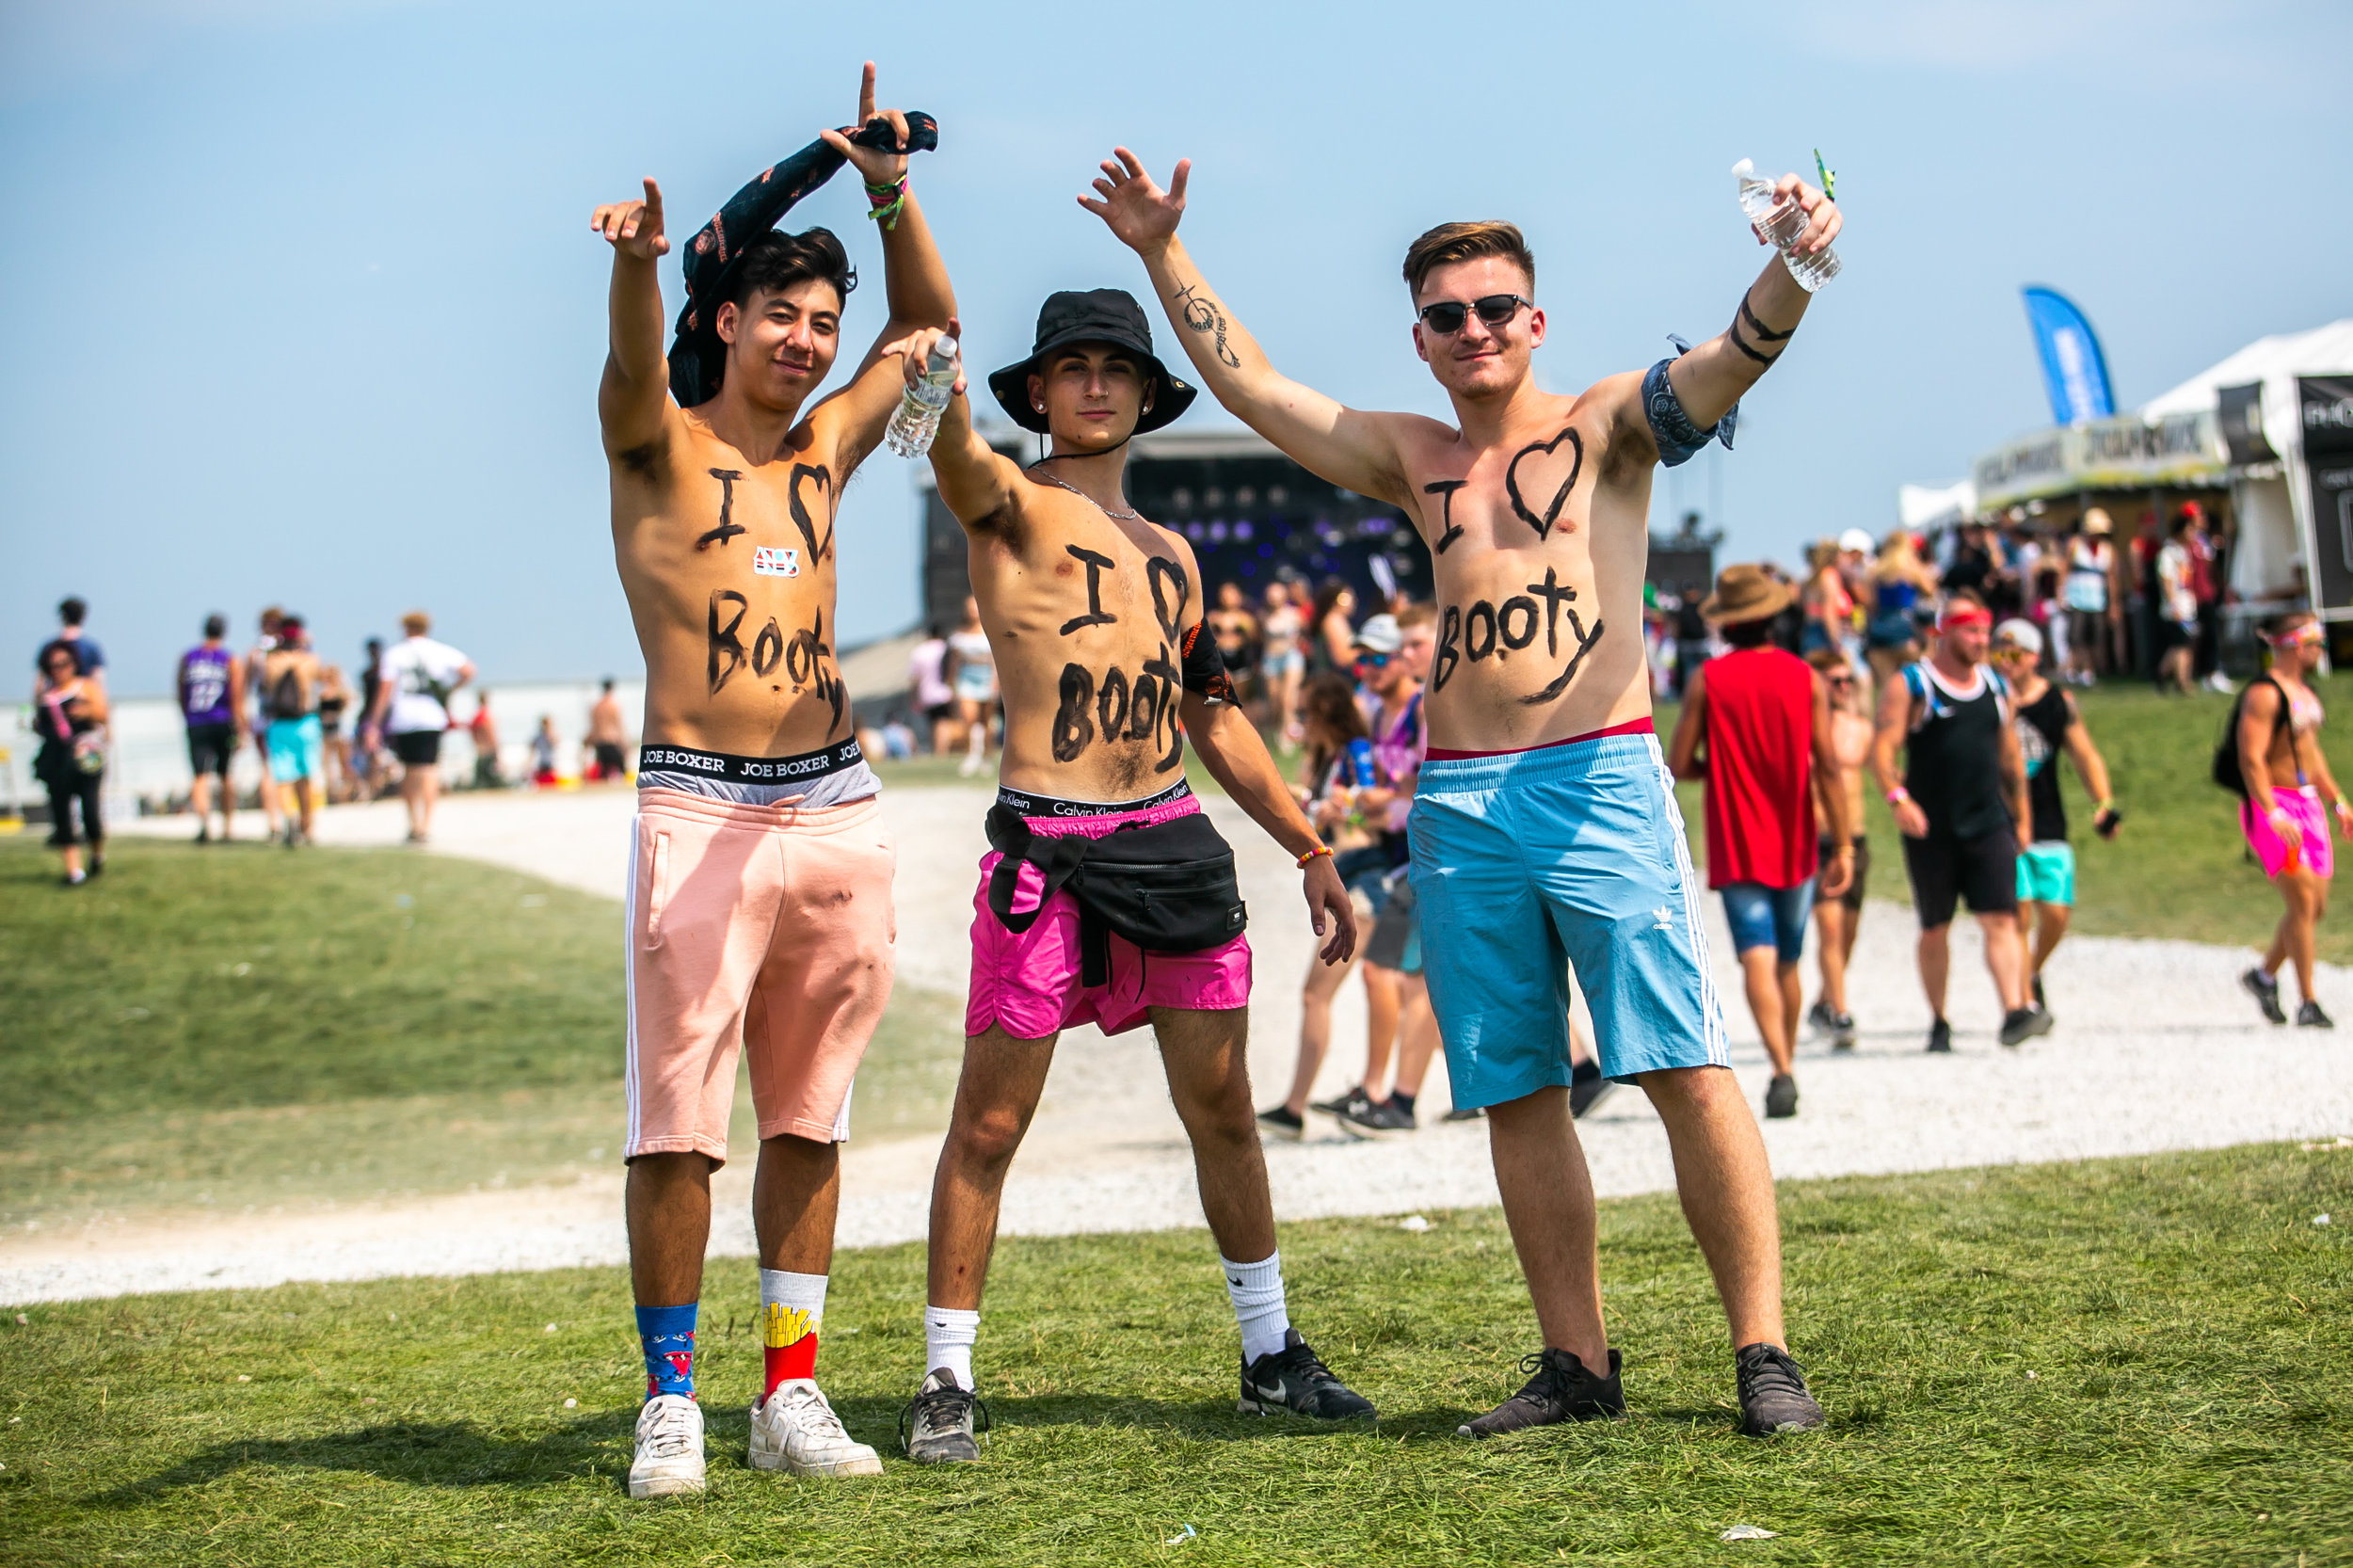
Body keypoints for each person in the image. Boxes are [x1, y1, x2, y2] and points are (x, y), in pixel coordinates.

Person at [1090, 143, 1841, 1435]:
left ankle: (1762, 1353)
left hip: (1597, 774)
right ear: (1422, 339)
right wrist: (1161, 250)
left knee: (1682, 1063)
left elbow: (1735, 357)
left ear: (1534, 320)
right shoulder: (1412, 454)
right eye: (1448, 315)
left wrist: (1796, 261)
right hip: (1460, 797)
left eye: (1497, 307)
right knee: (1515, 1087)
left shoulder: (1606, 421)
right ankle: (1575, 1363)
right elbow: (1252, 385)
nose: (1475, 328)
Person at [891, 283, 1370, 1466]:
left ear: (1148, 394)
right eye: (1073, 366)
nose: (1096, 383)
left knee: (1224, 1111)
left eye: (1116, 366)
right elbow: (951, 445)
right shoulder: (1009, 505)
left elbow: (1216, 716)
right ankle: (945, 1376)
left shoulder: (1174, 557)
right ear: (1038, 392)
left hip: (1168, 841)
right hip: (1046, 850)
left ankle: (1268, 1353)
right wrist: (925, 334)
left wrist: (1310, 848)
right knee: (989, 1123)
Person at [589, 67, 953, 1496]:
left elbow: (928, 337)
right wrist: (636, 268)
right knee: (679, 1125)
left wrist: (889, 192)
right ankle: (670, 1398)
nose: (807, 341)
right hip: (697, 803)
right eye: (782, 316)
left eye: (822, 323)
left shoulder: (825, 452)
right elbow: (632, 365)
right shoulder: (657, 448)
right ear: (729, 320)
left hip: (833, 802)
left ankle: (789, 1389)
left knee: (810, 1114)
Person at [1667, 566, 1852, 1120]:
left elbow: (1679, 763)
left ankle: (1780, 1066)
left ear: (1726, 623)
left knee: (1756, 956)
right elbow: (1828, 766)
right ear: (1772, 618)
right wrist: (1843, 844)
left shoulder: (1708, 680)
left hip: (1737, 837)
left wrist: (1722, 770)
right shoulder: (1805, 677)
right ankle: (1785, 1061)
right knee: (1789, 962)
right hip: (1795, 836)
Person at [1870, 592, 2043, 1052]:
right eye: (1972, 631)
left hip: (1988, 821)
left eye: (1985, 631)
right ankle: (1939, 1019)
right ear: (1944, 632)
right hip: (1932, 828)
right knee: (1935, 927)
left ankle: (2014, 1011)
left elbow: (2010, 758)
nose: (1982, 640)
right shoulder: (1914, 684)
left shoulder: (1996, 687)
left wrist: (2022, 817)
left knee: (2001, 918)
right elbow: (1882, 751)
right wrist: (1898, 799)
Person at [1260, 670, 1399, 1139]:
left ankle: (1300, 1107)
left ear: (1326, 713)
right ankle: (1310, 1104)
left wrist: (1345, 809)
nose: (1300, 723)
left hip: (1364, 881)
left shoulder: (1356, 752)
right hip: (1349, 879)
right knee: (1405, 993)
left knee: (1319, 994)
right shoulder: (1325, 759)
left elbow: (1372, 814)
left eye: (1305, 713)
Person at [1989, 619, 2118, 1019]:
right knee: (2019, 913)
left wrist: (2102, 803)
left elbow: (2085, 755)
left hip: (2048, 819)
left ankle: (2032, 970)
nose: (2005, 661)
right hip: (2001, 821)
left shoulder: (2057, 702)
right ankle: (2025, 1000)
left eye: (2014, 654)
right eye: (1998, 653)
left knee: (2057, 914)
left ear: (2033, 657)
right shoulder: (1987, 699)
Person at [2235, 613, 2347, 1029]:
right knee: (2300, 902)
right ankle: (2308, 1001)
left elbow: (2312, 756)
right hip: (2274, 805)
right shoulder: (2264, 695)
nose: (2320, 651)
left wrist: (2338, 801)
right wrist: (2272, 811)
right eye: (2316, 643)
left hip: (2309, 804)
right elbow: (2251, 758)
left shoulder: (2305, 694)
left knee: (2314, 908)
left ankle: (2263, 977)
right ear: (2295, 645)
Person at [1802, 646, 1873, 1048]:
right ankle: (1841, 1014)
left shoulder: (1859, 728)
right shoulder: (1801, 729)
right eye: (1836, 681)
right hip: (1817, 840)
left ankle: (1823, 1001)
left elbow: (1884, 767)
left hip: (1855, 838)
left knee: (1848, 932)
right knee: (1829, 928)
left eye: (1849, 680)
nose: (1845, 687)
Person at [362, 611, 473, 843]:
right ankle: (426, 824)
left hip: (404, 717)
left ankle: (414, 823)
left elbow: (385, 691)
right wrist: (449, 690)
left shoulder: (395, 654)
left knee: (410, 770)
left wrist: (373, 723)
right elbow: (468, 670)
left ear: (405, 628)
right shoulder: (439, 650)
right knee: (429, 769)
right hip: (432, 716)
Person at [33, 640, 108, 885]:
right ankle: (73, 872)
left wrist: (85, 711)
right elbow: (40, 724)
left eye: (64, 664)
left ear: (74, 663)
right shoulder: (46, 695)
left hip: (86, 759)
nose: (59, 669)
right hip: (56, 759)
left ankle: (96, 854)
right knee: (62, 814)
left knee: (91, 813)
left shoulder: (86, 687)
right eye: (53, 666)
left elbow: (103, 715)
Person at [178, 614, 245, 843]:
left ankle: (204, 825)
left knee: (200, 776)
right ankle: (227, 828)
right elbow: (237, 696)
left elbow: (180, 690)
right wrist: (240, 727)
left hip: (196, 721)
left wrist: (187, 715)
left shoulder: (188, 657)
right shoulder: (229, 659)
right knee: (225, 775)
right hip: (223, 721)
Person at [261, 616, 325, 846]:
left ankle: (289, 817)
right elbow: (321, 681)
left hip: (279, 724)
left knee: (283, 777)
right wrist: (307, 645)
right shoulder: (309, 660)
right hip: (306, 722)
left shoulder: (271, 661)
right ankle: (307, 825)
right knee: (307, 776)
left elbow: (265, 684)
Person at [1865, 531, 1938, 683]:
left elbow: (1871, 605)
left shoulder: (1875, 571)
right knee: (1915, 682)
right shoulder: (1910, 569)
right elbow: (1930, 590)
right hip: (1905, 630)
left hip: (1880, 631)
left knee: (1886, 686)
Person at [244, 608, 285, 838]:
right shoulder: (288, 650)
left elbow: (245, 688)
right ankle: (284, 820)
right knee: (281, 770)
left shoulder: (255, 653)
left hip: (264, 717)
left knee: (268, 770)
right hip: (284, 718)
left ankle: (274, 823)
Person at [945, 596, 998, 777]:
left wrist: (995, 681)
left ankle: (986, 756)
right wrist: (951, 682)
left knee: (986, 722)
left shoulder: (990, 630)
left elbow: (995, 660)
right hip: (966, 678)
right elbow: (954, 661)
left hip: (986, 677)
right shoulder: (959, 634)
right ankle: (972, 753)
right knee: (969, 718)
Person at [2063, 510, 2114, 686]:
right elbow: (2064, 568)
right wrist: (2061, 593)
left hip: (2097, 601)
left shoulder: (2107, 550)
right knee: (2076, 638)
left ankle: (2088, 671)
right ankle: (2075, 670)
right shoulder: (2075, 544)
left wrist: (2113, 603)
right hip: (2076, 599)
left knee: (2094, 639)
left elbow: (2111, 578)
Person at [2154, 511, 2198, 696]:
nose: (2193, 533)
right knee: (2181, 644)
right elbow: (2166, 580)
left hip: (2186, 604)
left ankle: (2161, 675)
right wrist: (2173, 605)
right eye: (2190, 529)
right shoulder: (2168, 553)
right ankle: (2182, 682)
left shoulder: (2183, 552)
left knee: (2182, 644)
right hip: (2175, 607)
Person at [1259, 580, 1307, 745]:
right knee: (1274, 699)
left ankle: (1287, 736)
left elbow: (1306, 633)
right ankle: (1275, 730)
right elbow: (1259, 638)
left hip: (1290, 656)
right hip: (1271, 658)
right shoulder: (1263, 616)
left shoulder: (1294, 614)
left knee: (1287, 698)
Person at [1208, 580, 1260, 716]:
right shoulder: (1213, 617)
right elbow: (1205, 640)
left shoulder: (1246, 618)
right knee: (1220, 698)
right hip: (1221, 660)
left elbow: (1255, 640)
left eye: (1231, 593)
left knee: (1239, 700)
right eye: (1224, 593)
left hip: (1241, 660)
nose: (1227, 597)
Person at [906, 625, 956, 755]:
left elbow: (915, 678)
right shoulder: (945, 648)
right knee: (942, 722)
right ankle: (941, 752)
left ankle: (937, 749)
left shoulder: (919, 651)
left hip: (926, 694)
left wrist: (913, 697)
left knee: (933, 723)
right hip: (944, 692)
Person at [1798, 541, 1852, 657]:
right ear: (1836, 556)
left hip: (1809, 632)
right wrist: (1836, 642)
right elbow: (1829, 612)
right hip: (1823, 634)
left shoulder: (1811, 577)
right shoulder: (1829, 576)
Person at [315, 662, 353, 803]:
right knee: (327, 764)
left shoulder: (341, 692)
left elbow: (347, 709)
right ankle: (333, 793)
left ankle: (347, 793)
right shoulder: (322, 692)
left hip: (339, 730)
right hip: (325, 730)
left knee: (344, 763)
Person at [1306, 578, 1357, 676]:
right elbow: (1341, 659)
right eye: (1348, 597)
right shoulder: (1333, 620)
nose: (1353, 602)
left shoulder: (1333, 619)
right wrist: (1367, 652)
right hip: (1333, 680)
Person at [587, 679, 630, 782]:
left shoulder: (596, 706)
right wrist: (624, 744)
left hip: (599, 743)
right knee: (622, 771)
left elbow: (593, 727)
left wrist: (587, 744)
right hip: (612, 741)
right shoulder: (613, 705)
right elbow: (618, 726)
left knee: (603, 774)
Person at [471, 694, 504, 789]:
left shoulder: (477, 715)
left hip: (481, 749)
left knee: (482, 778)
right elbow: (491, 733)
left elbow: (473, 731)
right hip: (488, 749)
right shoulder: (485, 715)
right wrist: (496, 748)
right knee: (491, 779)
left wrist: (477, 744)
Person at [529, 715, 560, 786]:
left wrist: (550, 732)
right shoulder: (538, 737)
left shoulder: (552, 736)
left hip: (552, 765)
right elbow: (531, 751)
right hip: (542, 764)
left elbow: (556, 743)